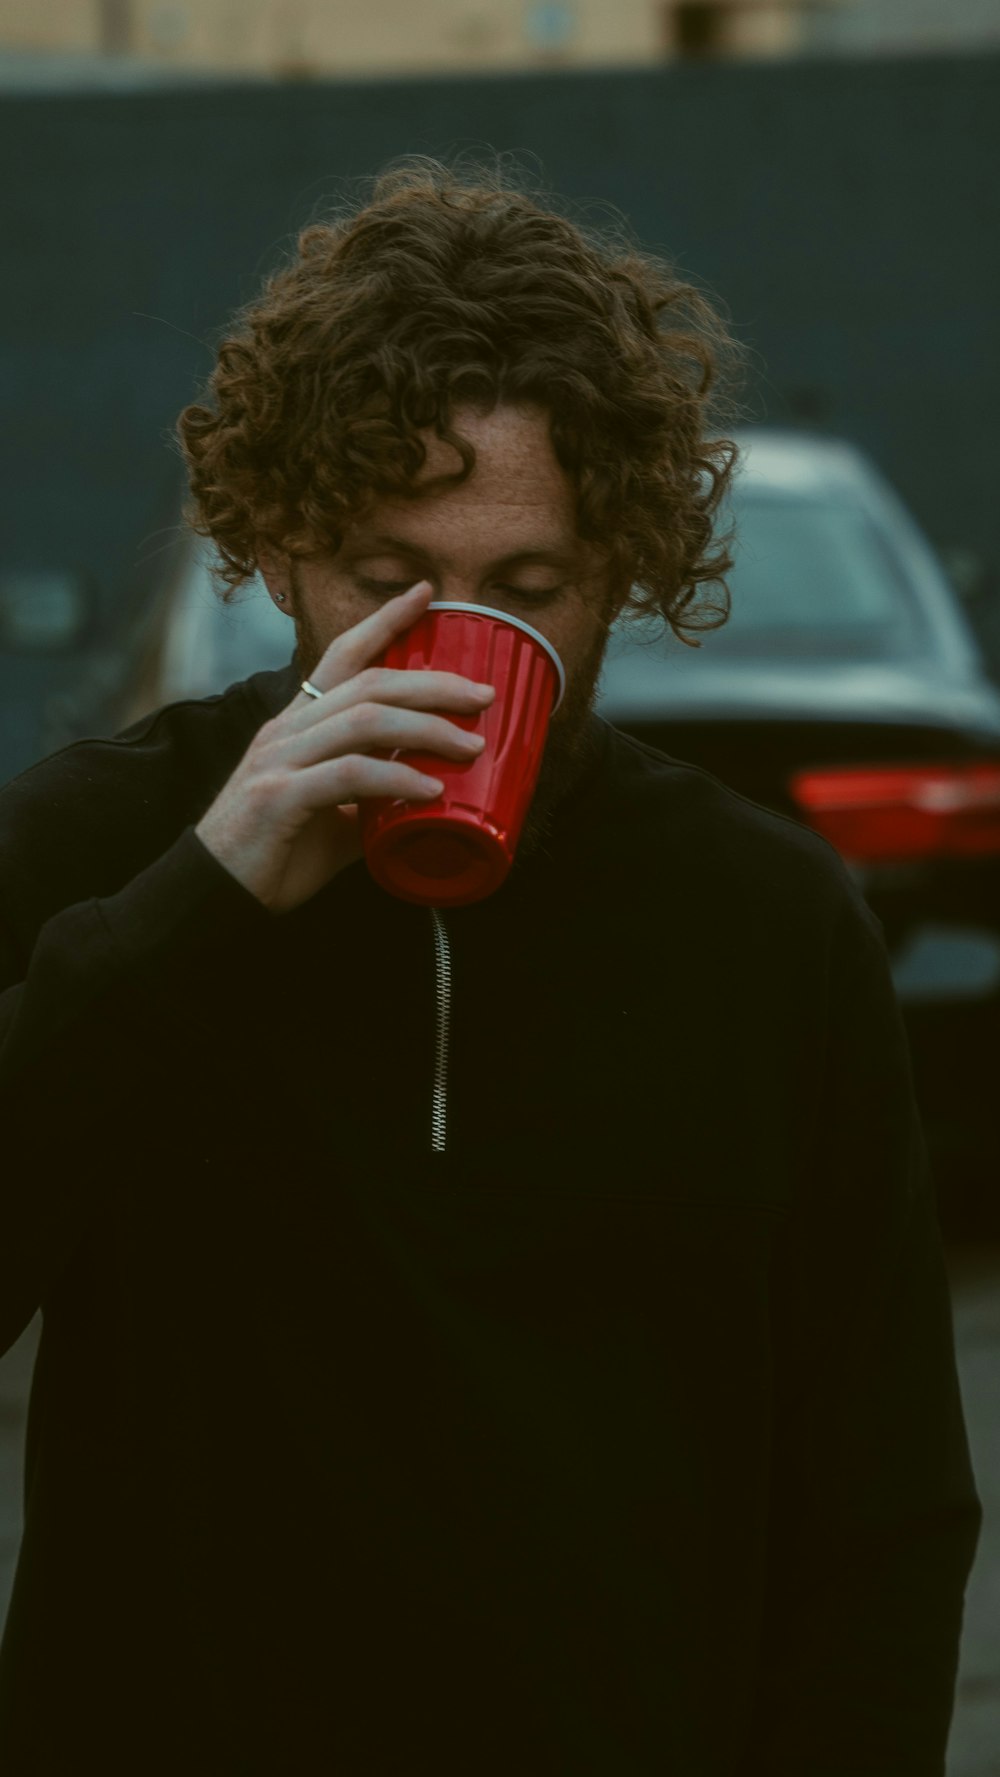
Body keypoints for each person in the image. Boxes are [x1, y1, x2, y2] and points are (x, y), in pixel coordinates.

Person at [0, 155, 981, 1774]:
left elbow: (879, 1503)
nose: (457, 642)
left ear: (619, 576)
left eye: (528, 589)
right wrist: (208, 895)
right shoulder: (105, 849)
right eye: (391, 581)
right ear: (283, 540)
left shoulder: (762, 923)